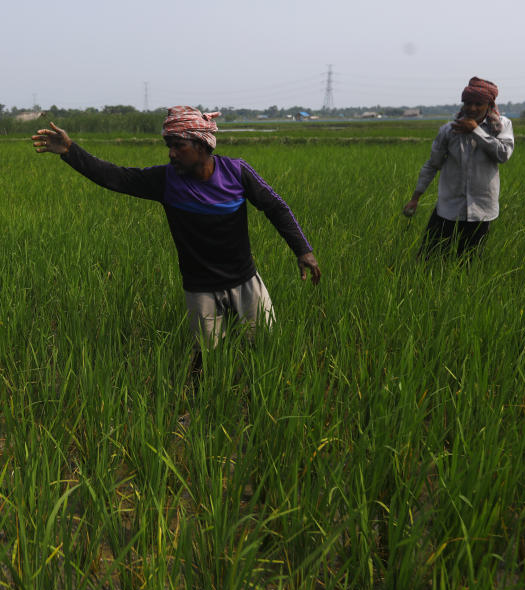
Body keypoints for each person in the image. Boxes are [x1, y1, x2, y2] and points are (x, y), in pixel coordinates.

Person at [32, 106, 321, 383]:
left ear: (201, 144)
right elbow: (115, 177)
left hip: (245, 281)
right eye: (168, 145)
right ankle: (198, 408)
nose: (171, 153)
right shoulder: (166, 181)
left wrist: (303, 250)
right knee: (206, 359)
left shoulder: (236, 172)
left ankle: (255, 401)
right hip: (200, 288)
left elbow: (276, 207)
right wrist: (71, 151)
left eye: (177, 145)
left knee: (264, 348)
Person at [403, 77, 515, 257]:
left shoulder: (501, 126)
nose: (472, 108)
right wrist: (415, 198)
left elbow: (503, 155)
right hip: (448, 208)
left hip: (481, 209)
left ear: (489, 104)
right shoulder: (449, 130)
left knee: (469, 262)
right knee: (428, 259)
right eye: (468, 103)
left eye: (478, 103)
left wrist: (475, 131)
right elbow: (433, 164)